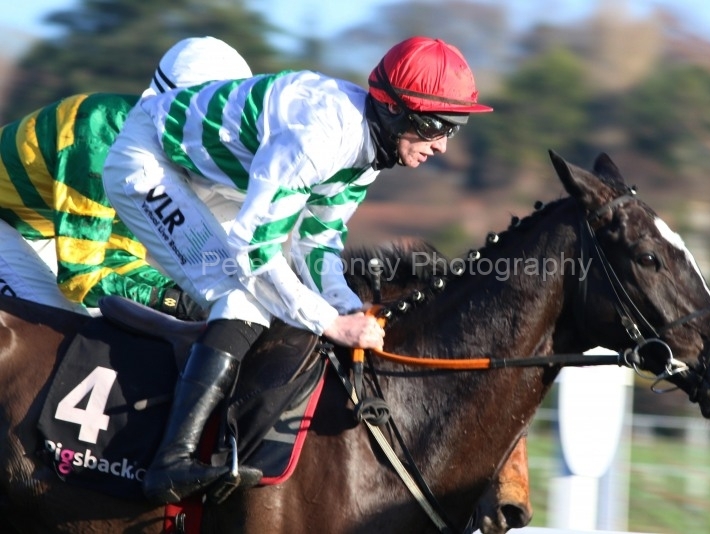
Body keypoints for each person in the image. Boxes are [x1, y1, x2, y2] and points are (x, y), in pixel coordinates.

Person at [103, 35, 493, 503]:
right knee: (242, 296)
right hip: (149, 163)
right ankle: (171, 461)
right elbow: (255, 251)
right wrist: (331, 323)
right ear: (394, 110)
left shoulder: (366, 153)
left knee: (276, 295)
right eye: (435, 126)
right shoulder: (321, 138)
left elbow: (316, 243)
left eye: (454, 129)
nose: (443, 146)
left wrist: (353, 309)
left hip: (209, 179)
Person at [0, 36, 252, 318]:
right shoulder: (101, 141)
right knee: (62, 328)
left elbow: (118, 255)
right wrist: (174, 301)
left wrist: (178, 296)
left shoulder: (153, 153)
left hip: (39, 228)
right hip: (12, 227)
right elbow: (80, 279)